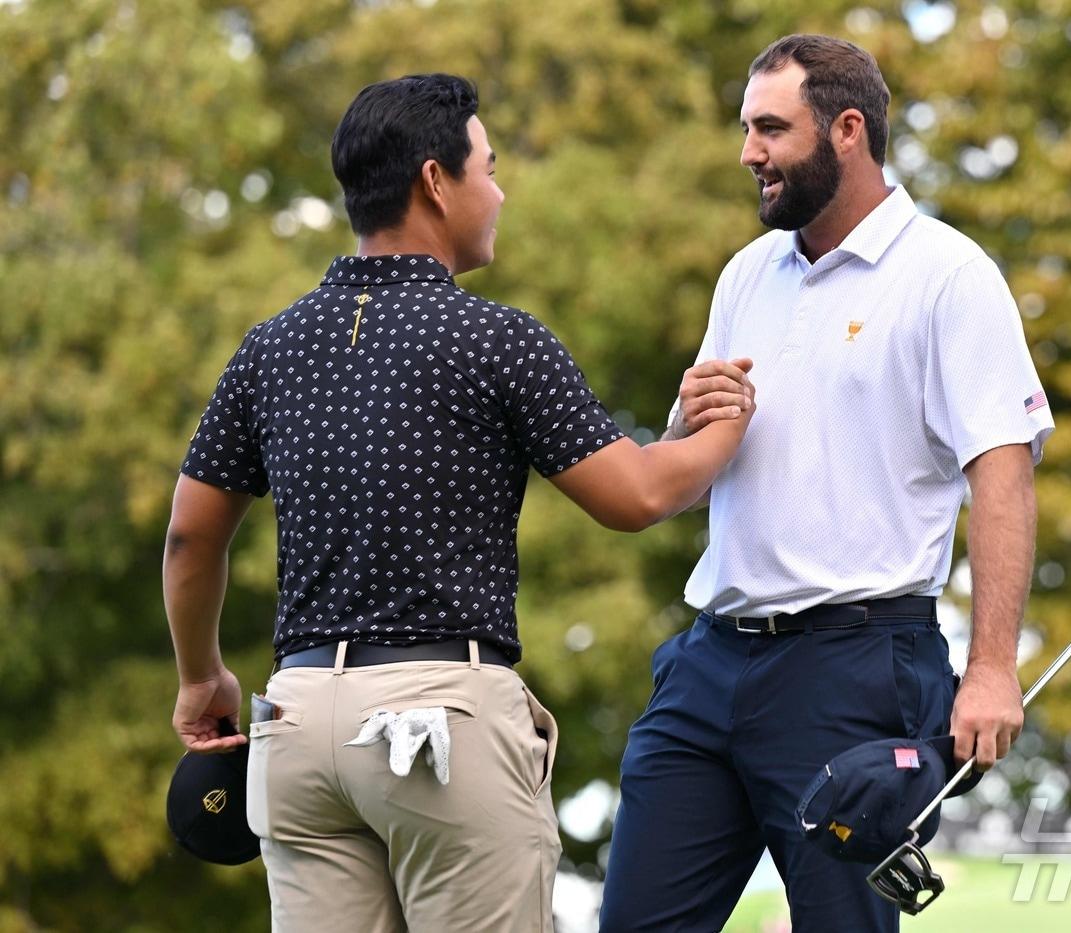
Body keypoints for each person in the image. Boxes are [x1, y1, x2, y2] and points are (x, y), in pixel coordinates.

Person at [163, 73, 754, 933]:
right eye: (488, 166)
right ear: (436, 182)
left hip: (294, 726)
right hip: (438, 725)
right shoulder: (495, 339)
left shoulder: (270, 348)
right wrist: (723, 427)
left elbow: (189, 537)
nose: (499, 189)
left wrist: (199, 675)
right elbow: (638, 496)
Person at [598, 35, 1055, 932]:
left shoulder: (949, 276)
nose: (748, 153)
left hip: (856, 672)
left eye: (771, 128)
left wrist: (993, 668)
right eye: (746, 129)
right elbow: (686, 483)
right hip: (709, 661)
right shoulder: (745, 274)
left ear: (849, 129)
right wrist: (684, 425)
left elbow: (1002, 477)